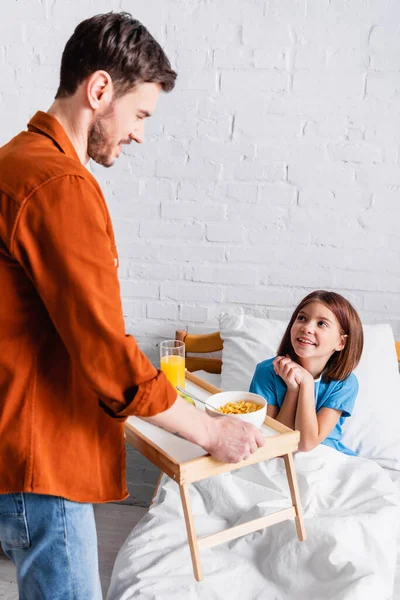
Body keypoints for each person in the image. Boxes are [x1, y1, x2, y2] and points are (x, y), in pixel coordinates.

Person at [0, 12, 264, 600]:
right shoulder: (58, 184)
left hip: (20, 454)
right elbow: (106, 354)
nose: (140, 133)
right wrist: (209, 430)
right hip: (45, 466)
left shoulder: (13, 161)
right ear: (99, 90)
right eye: (140, 113)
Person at [250, 290, 364, 455]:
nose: (307, 328)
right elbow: (276, 441)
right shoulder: (266, 372)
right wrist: (293, 390)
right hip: (278, 457)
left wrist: (307, 383)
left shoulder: (345, 383)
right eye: (302, 318)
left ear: (341, 342)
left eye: (321, 323)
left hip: (327, 457)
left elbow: (307, 443)